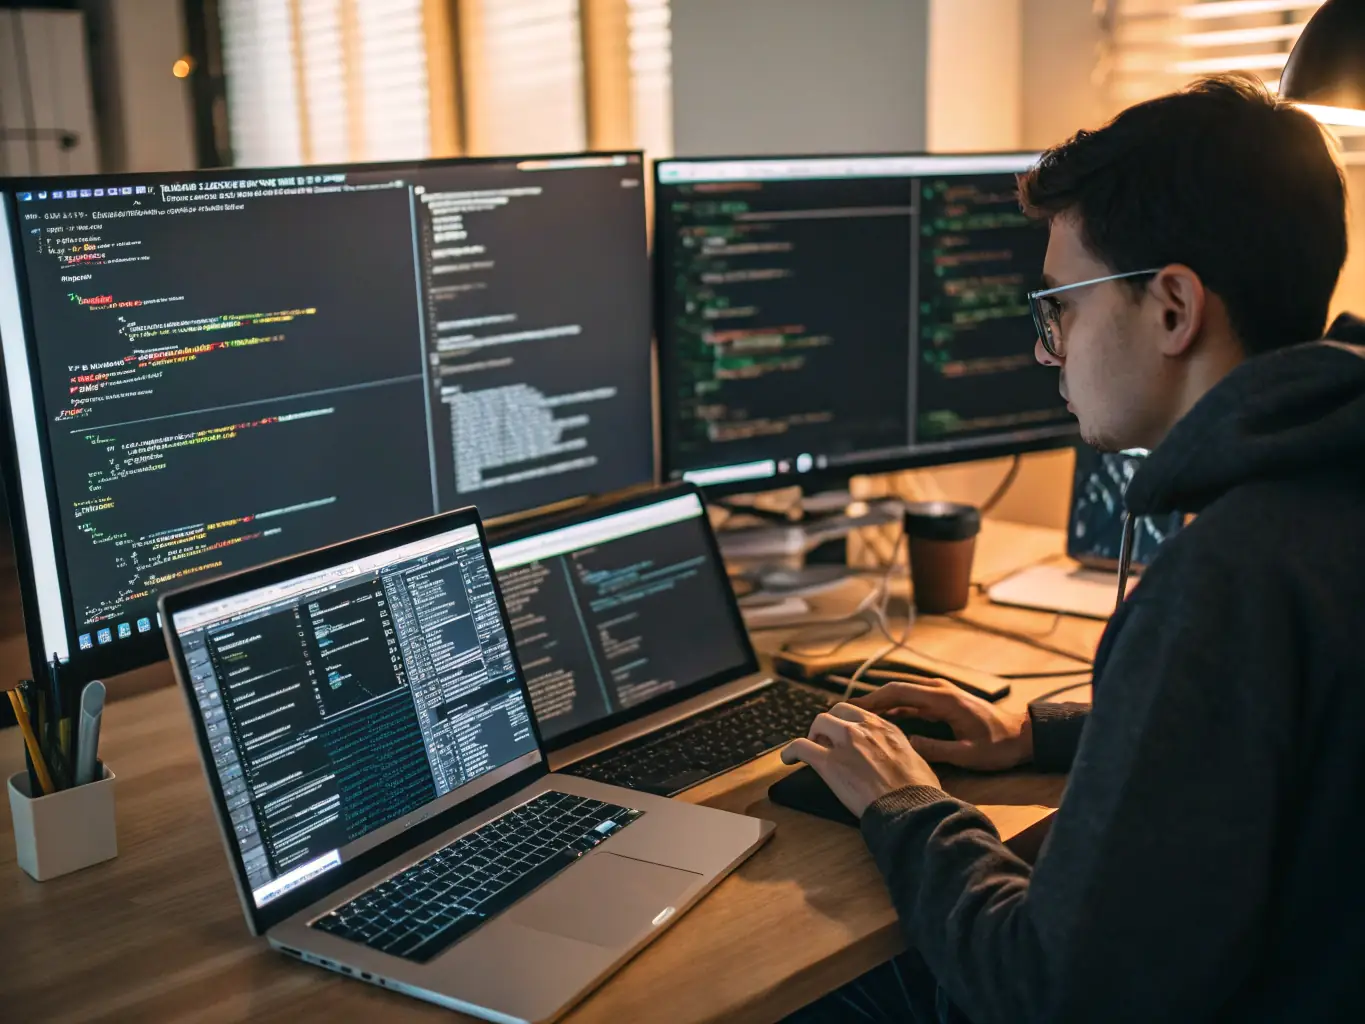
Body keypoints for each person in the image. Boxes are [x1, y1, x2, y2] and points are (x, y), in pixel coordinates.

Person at [783, 74, 1365, 1023]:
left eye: (1062, 306)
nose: (1049, 351)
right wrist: (1030, 734)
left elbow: (1048, 991)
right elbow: (1272, 736)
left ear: (1173, 307)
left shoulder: (1227, 575)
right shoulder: (1328, 487)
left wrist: (906, 806)